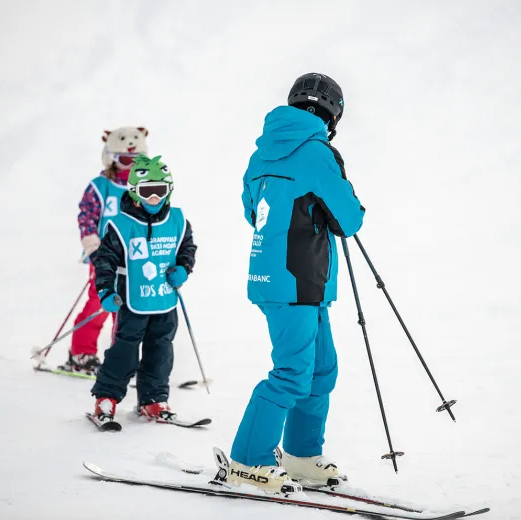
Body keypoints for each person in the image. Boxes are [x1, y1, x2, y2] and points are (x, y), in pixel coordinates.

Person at [228, 73, 365, 493]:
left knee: (320, 370)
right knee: (293, 372)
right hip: (298, 279)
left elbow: (253, 211)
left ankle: (301, 455)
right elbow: (350, 219)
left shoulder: (260, 154)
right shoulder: (318, 153)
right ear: (333, 114)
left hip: (286, 279)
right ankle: (248, 462)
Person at [89, 154, 197, 424]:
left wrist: (183, 268)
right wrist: (105, 291)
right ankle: (107, 398)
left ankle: (153, 399)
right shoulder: (121, 225)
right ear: (135, 192)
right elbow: (104, 261)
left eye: (159, 191)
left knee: (161, 350)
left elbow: (187, 249)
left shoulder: (177, 220)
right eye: (147, 192)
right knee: (124, 351)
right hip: (131, 299)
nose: (153, 199)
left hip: (165, 301)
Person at [63, 127, 149, 374]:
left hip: (135, 258)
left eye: (136, 161)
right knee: (100, 304)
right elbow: (87, 216)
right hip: (104, 257)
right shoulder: (101, 186)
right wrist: (92, 246)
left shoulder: (146, 186)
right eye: (125, 160)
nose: (131, 166)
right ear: (111, 157)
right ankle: (82, 353)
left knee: (129, 311)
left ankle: (122, 359)